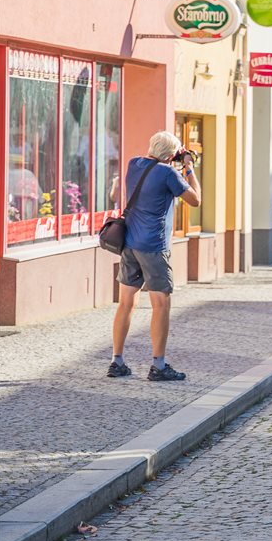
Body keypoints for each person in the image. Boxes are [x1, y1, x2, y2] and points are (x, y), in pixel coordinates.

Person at [107, 131, 200, 382]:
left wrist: (172, 157)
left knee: (126, 302)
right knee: (161, 304)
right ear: (172, 156)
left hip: (129, 244)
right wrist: (188, 166)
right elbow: (196, 200)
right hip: (154, 247)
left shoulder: (134, 164)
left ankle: (117, 362)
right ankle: (158, 366)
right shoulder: (169, 173)